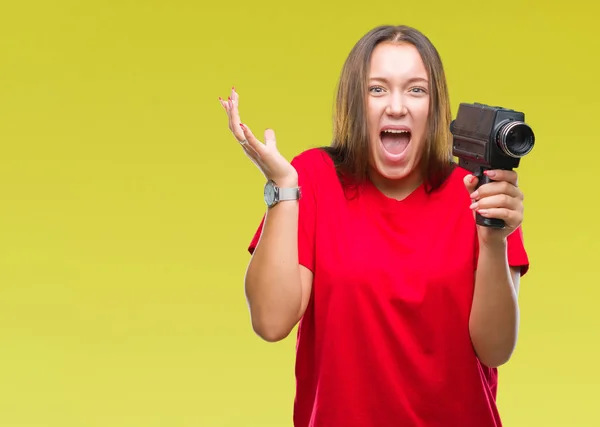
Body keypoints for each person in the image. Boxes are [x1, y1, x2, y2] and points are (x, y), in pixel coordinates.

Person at [218, 24, 529, 427]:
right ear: (354, 102)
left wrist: (493, 240)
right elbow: (270, 321)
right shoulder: (312, 178)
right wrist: (283, 189)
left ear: (435, 107)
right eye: (377, 89)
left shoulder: (480, 193)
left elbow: (495, 350)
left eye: (416, 90)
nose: (396, 106)